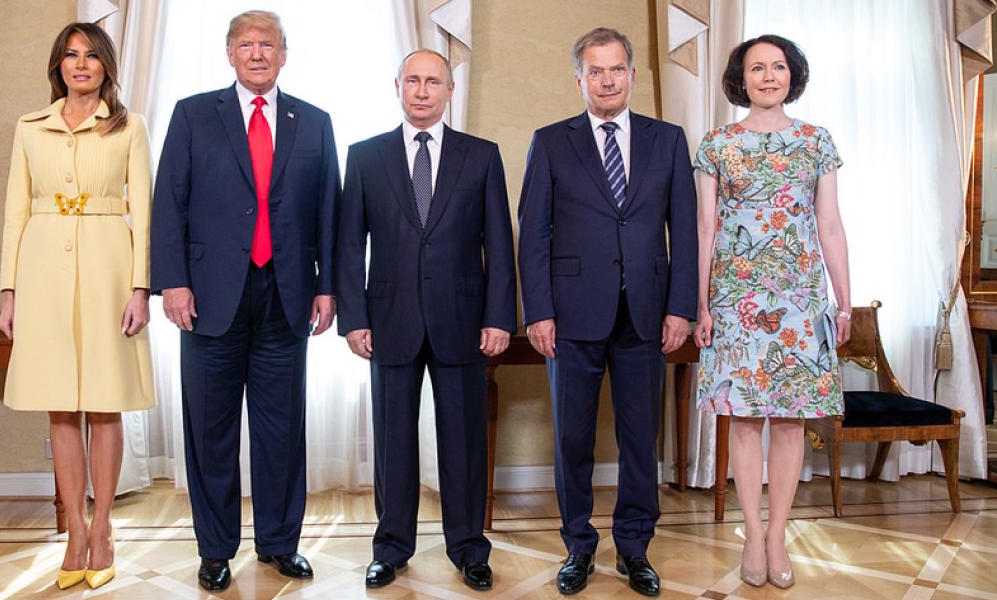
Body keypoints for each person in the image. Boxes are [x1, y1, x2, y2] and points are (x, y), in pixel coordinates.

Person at [151, 10, 339, 592]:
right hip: (208, 298)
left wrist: (328, 284)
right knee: (211, 429)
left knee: (281, 429)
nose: (258, 54)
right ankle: (214, 549)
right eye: (246, 45)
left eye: (269, 45)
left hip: (287, 296)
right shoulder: (192, 114)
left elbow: (329, 211)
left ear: (285, 54)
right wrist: (173, 281)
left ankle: (281, 544)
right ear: (229, 53)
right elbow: (168, 203)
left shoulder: (313, 121)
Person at [517, 27, 697, 597]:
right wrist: (538, 311)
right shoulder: (550, 141)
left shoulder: (667, 140)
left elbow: (685, 233)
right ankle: (577, 547)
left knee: (640, 438)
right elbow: (533, 234)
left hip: (646, 312)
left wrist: (681, 308)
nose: (606, 79)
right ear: (579, 79)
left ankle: (635, 548)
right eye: (595, 71)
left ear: (632, 75)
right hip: (570, 316)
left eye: (616, 69)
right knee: (572, 438)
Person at [335, 49, 516, 592]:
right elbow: (349, 246)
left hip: (463, 319)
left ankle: (469, 549)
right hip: (388, 319)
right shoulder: (365, 157)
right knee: (392, 442)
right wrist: (353, 318)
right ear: (397, 86)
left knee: (463, 441)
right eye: (412, 80)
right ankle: (390, 549)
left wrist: (499, 317)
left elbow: (499, 247)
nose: (421, 90)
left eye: (432, 81)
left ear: (449, 90)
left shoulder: (481, 156)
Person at [0, 22, 154, 591]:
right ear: (58, 65)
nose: (80, 64)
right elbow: (16, 210)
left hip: (110, 263)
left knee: (105, 402)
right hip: (42, 268)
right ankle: (74, 534)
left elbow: (147, 210)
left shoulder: (128, 127)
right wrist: (9, 291)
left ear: (106, 65)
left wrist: (140, 288)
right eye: (70, 55)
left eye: (91, 55)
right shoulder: (29, 128)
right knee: (60, 405)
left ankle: (105, 528)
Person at [692, 34, 851, 590]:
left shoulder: (815, 142)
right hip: (736, 301)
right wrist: (701, 302)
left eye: (778, 67)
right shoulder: (716, 144)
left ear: (792, 75)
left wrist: (843, 298)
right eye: (756, 67)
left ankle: (778, 534)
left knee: (789, 422)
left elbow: (829, 224)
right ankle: (752, 533)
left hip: (800, 300)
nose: (768, 76)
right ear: (741, 78)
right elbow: (705, 228)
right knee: (742, 419)